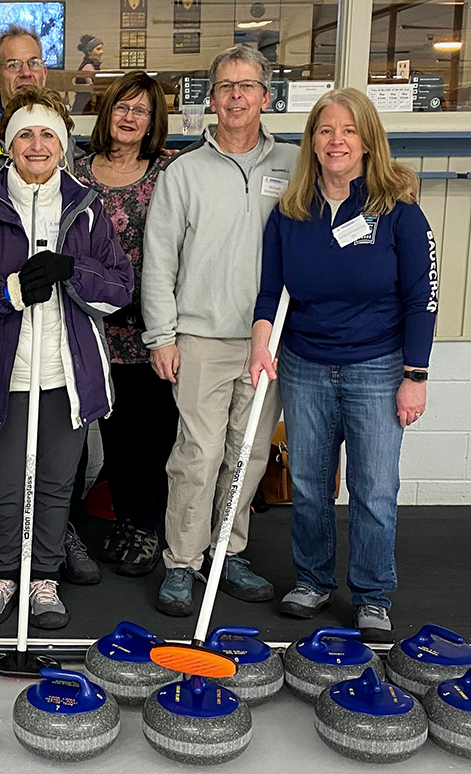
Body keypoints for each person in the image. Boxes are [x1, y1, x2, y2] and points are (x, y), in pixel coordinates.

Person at [250, 88, 436, 643]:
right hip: (305, 363)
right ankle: (312, 581)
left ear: (368, 142)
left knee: (374, 487)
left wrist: (416, 376)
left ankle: (373, 594)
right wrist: (263, 342)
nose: (336, 140)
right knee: (308, 485)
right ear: (312, 142)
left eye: (349, 130)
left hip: (378, 366)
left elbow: (421, 298)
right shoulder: (291, 211)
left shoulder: (398, 210)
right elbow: (270, 290)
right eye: (326, 130)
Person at [0, 87, 133, 629]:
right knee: (0, 482)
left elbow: (120, 288)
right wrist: (8, 291)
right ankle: (2, 574)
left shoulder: (87, 206)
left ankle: (45, 578)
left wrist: (71, 271)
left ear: (63, 143)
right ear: (9, 145)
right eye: (25, 134)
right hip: (2, 369)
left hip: (65, 371)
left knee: (56, 482)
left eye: (47, 134)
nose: (37, 145)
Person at [141, 45, 299, 617]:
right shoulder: (183, 174)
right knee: (198, 454)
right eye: (226, 86)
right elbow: (158, 260)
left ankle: (228, 552)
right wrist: (161, 335)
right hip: (202, 338)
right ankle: (182, 562)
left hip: (269, 340)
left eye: (247, 85)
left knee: (249, 454)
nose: (236, 95)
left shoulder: (294, 167)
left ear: (265, 95)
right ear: (210, 99)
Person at [74, 71, 177, 578]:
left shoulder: (171, 171)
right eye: (122, 107)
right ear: (106, 112)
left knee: (153, 434)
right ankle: (122, 517)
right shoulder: (76, 171)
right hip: (94, 329)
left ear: (154, 121)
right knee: (112, 433)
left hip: (152, 329)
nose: (130, 117)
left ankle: (146, 525)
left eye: (142, 110)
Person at [0, 24, 82, 217]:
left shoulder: (61, 138)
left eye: (33, 63)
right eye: (13, 64)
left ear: (43, 74)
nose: (26, 73)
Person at [71, 35, 103, 114]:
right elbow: (94, 88)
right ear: (89, 52)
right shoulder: (88, 67)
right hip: (84, 107)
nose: (102, 52)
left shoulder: (90, 65)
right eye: (98, 49)